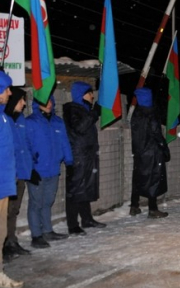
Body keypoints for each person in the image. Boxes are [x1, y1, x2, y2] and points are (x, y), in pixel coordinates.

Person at [25, 96, 73, 248]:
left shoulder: (58, 122)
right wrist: (30, 168)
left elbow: (64, 142)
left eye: (51, 101)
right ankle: (36, 235)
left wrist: (69, 161)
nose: (49, 104)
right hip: (37, 170)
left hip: (53, 168)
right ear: (37, 104)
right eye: (46, 101)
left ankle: (47, 231)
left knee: (47, 202)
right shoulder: (30, 122)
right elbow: (26, 147)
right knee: (36, 203)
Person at [63, 82, 106, 236]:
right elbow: (80, 128)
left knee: (85, 188)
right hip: (78, 157)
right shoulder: (72, 110)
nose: (92, 96)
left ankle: (87, 219)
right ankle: (73, 225)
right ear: (81, 95)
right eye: (89, 93)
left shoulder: (83, 110)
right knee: (75, 190)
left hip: (87, 156)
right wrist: (94, 114)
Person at [130, 88, 169, 219]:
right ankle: (153, 209)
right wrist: (164, 148)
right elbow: (156, 134)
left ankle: (134, 206)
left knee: (138, 178)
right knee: (153, 180)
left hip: (139, 153)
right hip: (152, 153)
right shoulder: (150, 114)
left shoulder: (136, 114)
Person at [3, 88, 32, 262]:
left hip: (19, 173)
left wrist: (30, 169)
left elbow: (25, 147)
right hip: (7, 174)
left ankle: (11, 241)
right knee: (4, 212)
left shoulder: (20, 120)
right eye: (21, 100)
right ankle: (4, 244)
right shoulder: (4, 120)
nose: (23, 103)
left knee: (13, 211)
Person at [0, 73, 23, 288]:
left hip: (5, 185)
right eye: (6, 89)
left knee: (1, 233)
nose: (10, 92)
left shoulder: (4, 118)